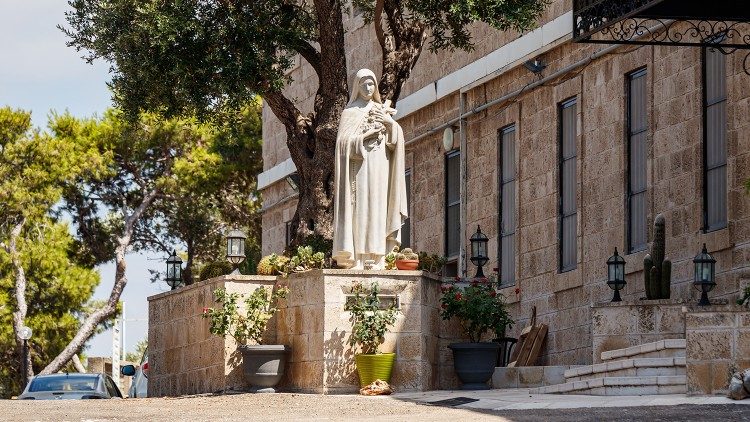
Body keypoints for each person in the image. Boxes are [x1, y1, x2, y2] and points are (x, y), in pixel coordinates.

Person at [332, 69, 407, 269]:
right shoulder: (350, 113)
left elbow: (395, 141)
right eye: (364, 84)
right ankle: (358, 258)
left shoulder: (380, 110)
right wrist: (364, 137)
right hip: (359, 170)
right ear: (357, 86)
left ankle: (378, 258)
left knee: (378, 208)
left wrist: (390, 124)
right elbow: (342, 145)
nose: (368, 88)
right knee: (361, 210)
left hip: (381, 166)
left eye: (371, 84)